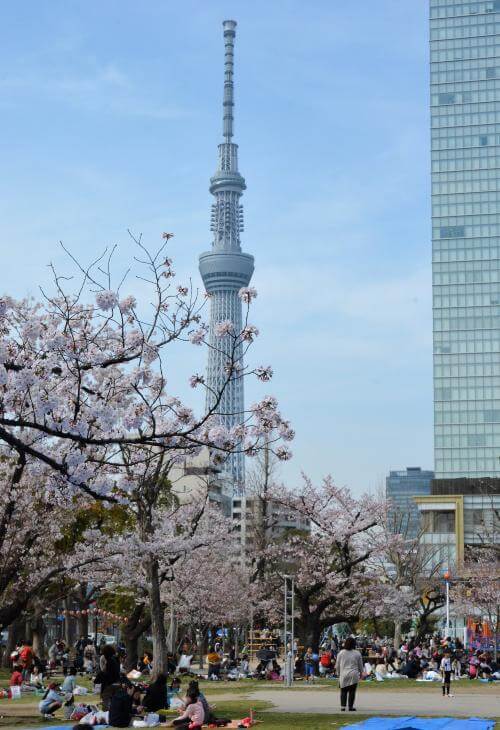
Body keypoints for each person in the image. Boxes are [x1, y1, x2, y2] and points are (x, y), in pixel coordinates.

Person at [336, 637, 364, 712]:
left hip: (344, 673)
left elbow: (337, 664)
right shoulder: (357, 653)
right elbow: (360, 665)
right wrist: (362, 673)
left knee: (343, 690)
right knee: (352, 691)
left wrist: (338, 673)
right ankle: (351, 707)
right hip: (354, 673)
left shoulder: (341, 653)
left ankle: (343, 707)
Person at [97, 644, 121, 710]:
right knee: (115, 701)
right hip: (117, 682)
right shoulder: (115, 659)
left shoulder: (110, 661)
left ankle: (106, 714)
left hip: (110, 684)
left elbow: (106, 673)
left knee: (105, 701)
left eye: (104, 653)